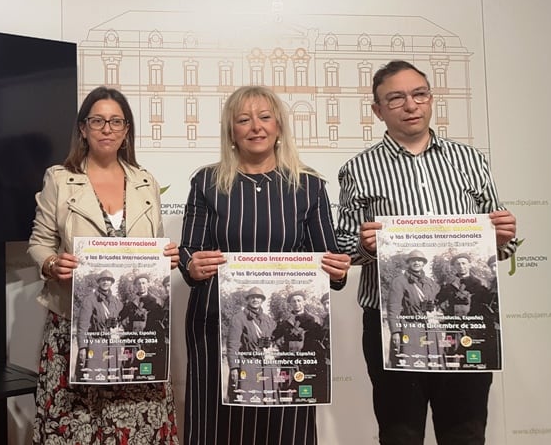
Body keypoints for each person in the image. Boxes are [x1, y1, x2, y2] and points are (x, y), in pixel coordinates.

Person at [336, 60, 518, 444]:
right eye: (396, 98)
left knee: (465, 432)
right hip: (392, 322)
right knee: (400, 432)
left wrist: (503, 238)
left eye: (419, 94)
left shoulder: (471, 161)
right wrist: (367, 247)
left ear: (431, 99)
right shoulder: (358, 168)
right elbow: (344, 245)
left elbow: (497, 241)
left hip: (464, 319)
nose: (411, 105)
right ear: (378, 110)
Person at [178, 85, 350, 445]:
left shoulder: (310, 186)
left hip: (286, 333)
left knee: (286, 423)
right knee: (215, 426)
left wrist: (337, 270)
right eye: (243, 119)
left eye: (264, 117)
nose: (255, 126)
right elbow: (188, 252)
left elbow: (329, 264)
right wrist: (191, 266)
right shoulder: (206, 182)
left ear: (279, 127)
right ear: (231, 132)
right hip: (215, 327)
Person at [27, 86, 180, 444]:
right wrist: (51, 263)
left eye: (115, 121)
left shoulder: (146, 183)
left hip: (137, 329)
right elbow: (38, 243)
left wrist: (166, 259)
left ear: (126, 130)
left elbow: (155, 245)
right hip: (75, 327)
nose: (106, 128)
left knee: (138, 428)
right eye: (97, 120)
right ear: (83, 128)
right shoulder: (60, 180)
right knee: (77, 427)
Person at [385, 251, 441, 369]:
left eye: (420, 260)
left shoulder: (430, 282)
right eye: (413, 260)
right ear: (408, 263)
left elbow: (437, 302)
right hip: (410, 328)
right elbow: (393, 308)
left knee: (433, 364)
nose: (417, 262)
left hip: (430, 327)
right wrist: (395, 331)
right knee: (410, 364)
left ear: (424, 263)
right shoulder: (399, 281)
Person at [224, 287, 278, 404]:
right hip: (248, 364)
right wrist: (234, 367)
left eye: (258, 297)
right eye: (252, 297)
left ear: (262, 300)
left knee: (268, 400)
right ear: (247, 300)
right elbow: (232, 345)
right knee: (247, 400)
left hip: (266, 365)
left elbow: (271, 339)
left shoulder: (268, 319)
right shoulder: (238, 318)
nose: (255, 299)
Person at [74, 269, 123, 381]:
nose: (105, 282)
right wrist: (82, 347)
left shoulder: (117, 302)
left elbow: (122, 320)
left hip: (113, 344)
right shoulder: (90, 300)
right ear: (99, 282)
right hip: (96, 344)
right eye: (103, 280)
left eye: (108, 280)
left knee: (113, 378)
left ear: (111, 283)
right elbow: (82, 325)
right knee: (94, 378)